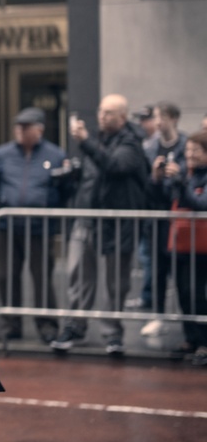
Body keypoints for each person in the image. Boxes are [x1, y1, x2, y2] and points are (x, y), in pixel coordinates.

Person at [51, 94, 150, 355]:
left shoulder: (131, 143)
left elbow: (115, 166)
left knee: (116, 282)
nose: (102, 117)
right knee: (78, 274)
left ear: (123, 117)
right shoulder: (100, 140)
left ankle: (113, 334)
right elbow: (91, 176)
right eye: (101, 111)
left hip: (118, 222)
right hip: (87, 218)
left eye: (109, 113)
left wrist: (85, 142)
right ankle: (75, 326)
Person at [0, 106, 72, 343]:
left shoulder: (55, 154)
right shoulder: (3, 153)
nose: (20, 131)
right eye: (18, 126)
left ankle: (47, 325)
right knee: (7, 276)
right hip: (8, 226)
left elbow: (65, 189)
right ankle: (10, 324)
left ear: (39, 130)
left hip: (40, 227)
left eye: (26, 127)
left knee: (42, 277)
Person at [139, 101, 187, 337]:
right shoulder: (149, 148)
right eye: (157, 117)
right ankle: (158, 315)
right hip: (158, 217)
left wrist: (178, 175)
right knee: (157, 269)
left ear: (174, 118)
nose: (158, 122)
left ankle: (188, 319)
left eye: (163, 117)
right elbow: (145, 187)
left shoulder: (187, 145)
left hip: (182, 216)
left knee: (183, 272)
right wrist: (155, 177)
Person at [162, 130, 207, 366]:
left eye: (196, 151)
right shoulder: (185, 173)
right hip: (180, 243)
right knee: (183, 292)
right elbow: (164, 198)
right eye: (188, 150)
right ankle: (190, 338)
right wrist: (160, 178)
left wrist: (181, 184)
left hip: (201, 248)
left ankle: (204, 342)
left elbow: (201, 204)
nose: (190, 155)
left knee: (198, 294)